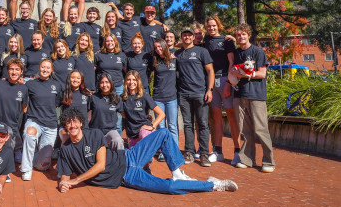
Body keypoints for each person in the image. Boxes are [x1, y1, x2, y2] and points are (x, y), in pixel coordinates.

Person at [56, 108, 239, 195]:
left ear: (80, 122)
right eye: (68, 123)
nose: (72, 125)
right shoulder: (66, 151)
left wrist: (75, 181)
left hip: (129, 156)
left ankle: (177, 172)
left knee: (164, 133)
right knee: (169, 187)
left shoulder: (94, 134)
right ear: (65, 126)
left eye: (75, 122)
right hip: (126, 176)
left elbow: (101, 164)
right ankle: (213, 184)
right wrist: (64, 184)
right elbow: (64, 175)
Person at [225, 23, 275, 173]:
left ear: (249, 35)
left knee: (261, 129)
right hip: (239, 95)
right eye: (238, 35)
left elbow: (262, 74)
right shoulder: (237, 52)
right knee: (245, 130)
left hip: (256, 95)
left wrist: (244, 74)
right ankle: (247, 159)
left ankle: (268, 162)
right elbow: (234, 71)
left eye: (243, 34)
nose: (241, 37)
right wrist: (235, 73)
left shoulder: (258, 52)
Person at [175, 28, 215, 167]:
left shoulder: (202, 51)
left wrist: (209, 90)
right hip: (184, 94)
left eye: (189, 35)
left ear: (193, 37)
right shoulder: (178, 54)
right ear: (181, 38)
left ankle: (204, 153)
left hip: (200, 93)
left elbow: (210, 71)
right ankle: (189, 152)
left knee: (203, 123)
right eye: (184, 35)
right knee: (187, 124)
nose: (187, 37)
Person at [204, 15, 241, 164]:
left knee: (231, 114)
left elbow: (232, 62)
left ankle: (237, 151)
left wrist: (228, 84)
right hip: (211, 81)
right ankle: (217, 150)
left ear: (218, 25)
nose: (211, 28)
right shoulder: (205, 41)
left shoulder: (227, 41)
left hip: (225, 79)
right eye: (209, 26)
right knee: (215, 116)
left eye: (214, 25)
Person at [21, 58, 63, 181]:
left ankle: (36, 158)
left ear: (51, 70)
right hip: (34, 121)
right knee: (29, 134)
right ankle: (26, 169)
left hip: (50, 124)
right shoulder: (30, 84)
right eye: (43, 67)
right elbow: (24, 103)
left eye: (48, 68)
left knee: (42, 166)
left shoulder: (57, 85)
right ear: (39, 68)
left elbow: (57, 103)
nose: (45, 69)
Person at [0, 58, 28, 162]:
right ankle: (4, 164)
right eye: (11, 69)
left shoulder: (23, 89)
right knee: (6, 132)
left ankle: (16, 150)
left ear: (21, 72)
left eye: (17, 69)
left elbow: (24, 108)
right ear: (7, 71)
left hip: (13, 125)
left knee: (11, 133)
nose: (14, 72)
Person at [121, 70, 164, 148]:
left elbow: (161, 114)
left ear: (138, 81)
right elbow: (123, 114)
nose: (131, 82)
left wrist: (152, 126)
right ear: (125, 82)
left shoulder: (144, 96)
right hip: (132, 134)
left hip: (143, 131)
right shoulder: (122, 98)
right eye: (129, 80)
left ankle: (149, 151)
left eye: (134, 80)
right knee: (135, 159)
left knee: (144, 137)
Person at [151, 39, 179, 148]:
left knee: (172, 126)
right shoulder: (154, 60)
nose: (158, 49)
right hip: (158, 98)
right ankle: (163, 150)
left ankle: (174, 149)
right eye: (156, 47)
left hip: (172, 98)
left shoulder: (174, 59)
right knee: (161, 126)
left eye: (160, 46)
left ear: (164, 46)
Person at [88, 73, 123, 150]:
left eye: (107, 82)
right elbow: (88, 115)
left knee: (118, 141)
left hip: (110, 131)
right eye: (102, 82)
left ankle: (120, 161)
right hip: (95, 131)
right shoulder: (93, 97)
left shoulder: (117, 98)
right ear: (99, 84)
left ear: (111, 83)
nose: (104, 85)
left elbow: (124, 115)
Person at [58, 70, 91, 144]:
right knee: (66, 139)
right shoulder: (64, 94)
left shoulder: (86, 94)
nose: (75, 80)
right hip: (67, 128)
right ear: (69, 79)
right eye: (73, 77)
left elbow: (89, 110)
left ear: (81, 80)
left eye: (78, 78)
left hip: (83, 128)